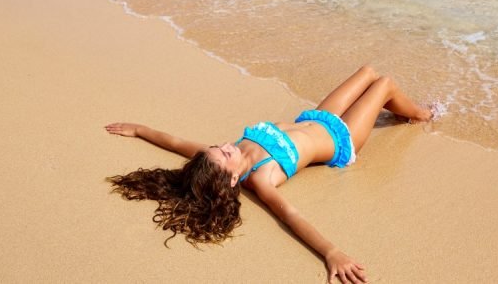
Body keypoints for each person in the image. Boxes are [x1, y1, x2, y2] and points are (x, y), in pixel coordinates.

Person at [105, 65, 434, 284]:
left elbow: (176, 143)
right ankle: (422, 115)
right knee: (385, 84)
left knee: (369, 72)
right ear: (232, 179)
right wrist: (332, 252)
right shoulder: (261, 178)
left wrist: (139, 129)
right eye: (223, 153)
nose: (224, 145)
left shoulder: (221, 158)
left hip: (317, 117)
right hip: (341, 139)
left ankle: (401, 113)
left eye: (218, 147)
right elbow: (291, 216)